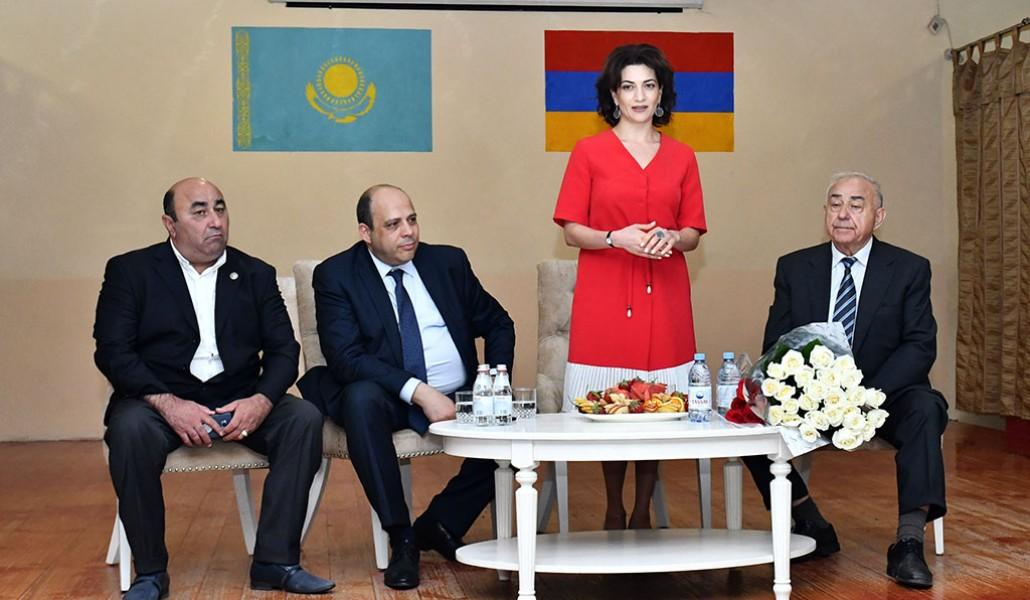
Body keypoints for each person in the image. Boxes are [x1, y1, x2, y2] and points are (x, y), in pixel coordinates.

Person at [94, 178, 335, 598]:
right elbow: (113, 351)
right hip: (159, 401)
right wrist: (169, 404)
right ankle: (150, 573)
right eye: (200, 211)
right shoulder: (131, 272)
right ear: (170, 224)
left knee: (303, 418)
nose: (215, 221)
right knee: (129, 429)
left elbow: (284, 349)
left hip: (238, 399)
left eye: (220, 209)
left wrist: (261, 401)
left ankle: (276, 562)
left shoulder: (255, 273)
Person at [297, 184, 515, 590]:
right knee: (360, 400)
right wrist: (420, 392)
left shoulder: (447, 262)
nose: (408, 232)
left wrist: (493, 383)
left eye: (412, 220)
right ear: (366, 232)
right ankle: (402, 537)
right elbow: (346, 357)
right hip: (388, 396)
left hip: (460, 394)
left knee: (518, 420)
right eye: (393, 225)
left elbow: (499, 323)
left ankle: (441, 522)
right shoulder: (337, 275)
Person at [742, 172, 947, 589]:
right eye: (835, 204)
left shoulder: (909, 268)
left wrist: (868, 396)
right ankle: (809, 520)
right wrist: (804, 391)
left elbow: (920, 345)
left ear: (879, 216)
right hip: (814, 397)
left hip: (885, 395)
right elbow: (778, 343)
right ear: (825, 212)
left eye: (856, 205)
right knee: (745, 412)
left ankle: (908, 542)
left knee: (927, 408)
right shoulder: (795, 267)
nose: (843, 214)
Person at [552, 44, 707, 530]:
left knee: (658, 403)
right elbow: (571, 229)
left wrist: (672, 238)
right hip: (606, 289)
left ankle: (642, 510)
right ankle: (613, 506)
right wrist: (614, 238)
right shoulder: (588, 152)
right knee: (610, 401)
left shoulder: (683, 156)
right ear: (614, 95)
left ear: (661, 94)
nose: (639, 96)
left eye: (649, 85)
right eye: (628, 86)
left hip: (666, 290)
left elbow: (693, 231)